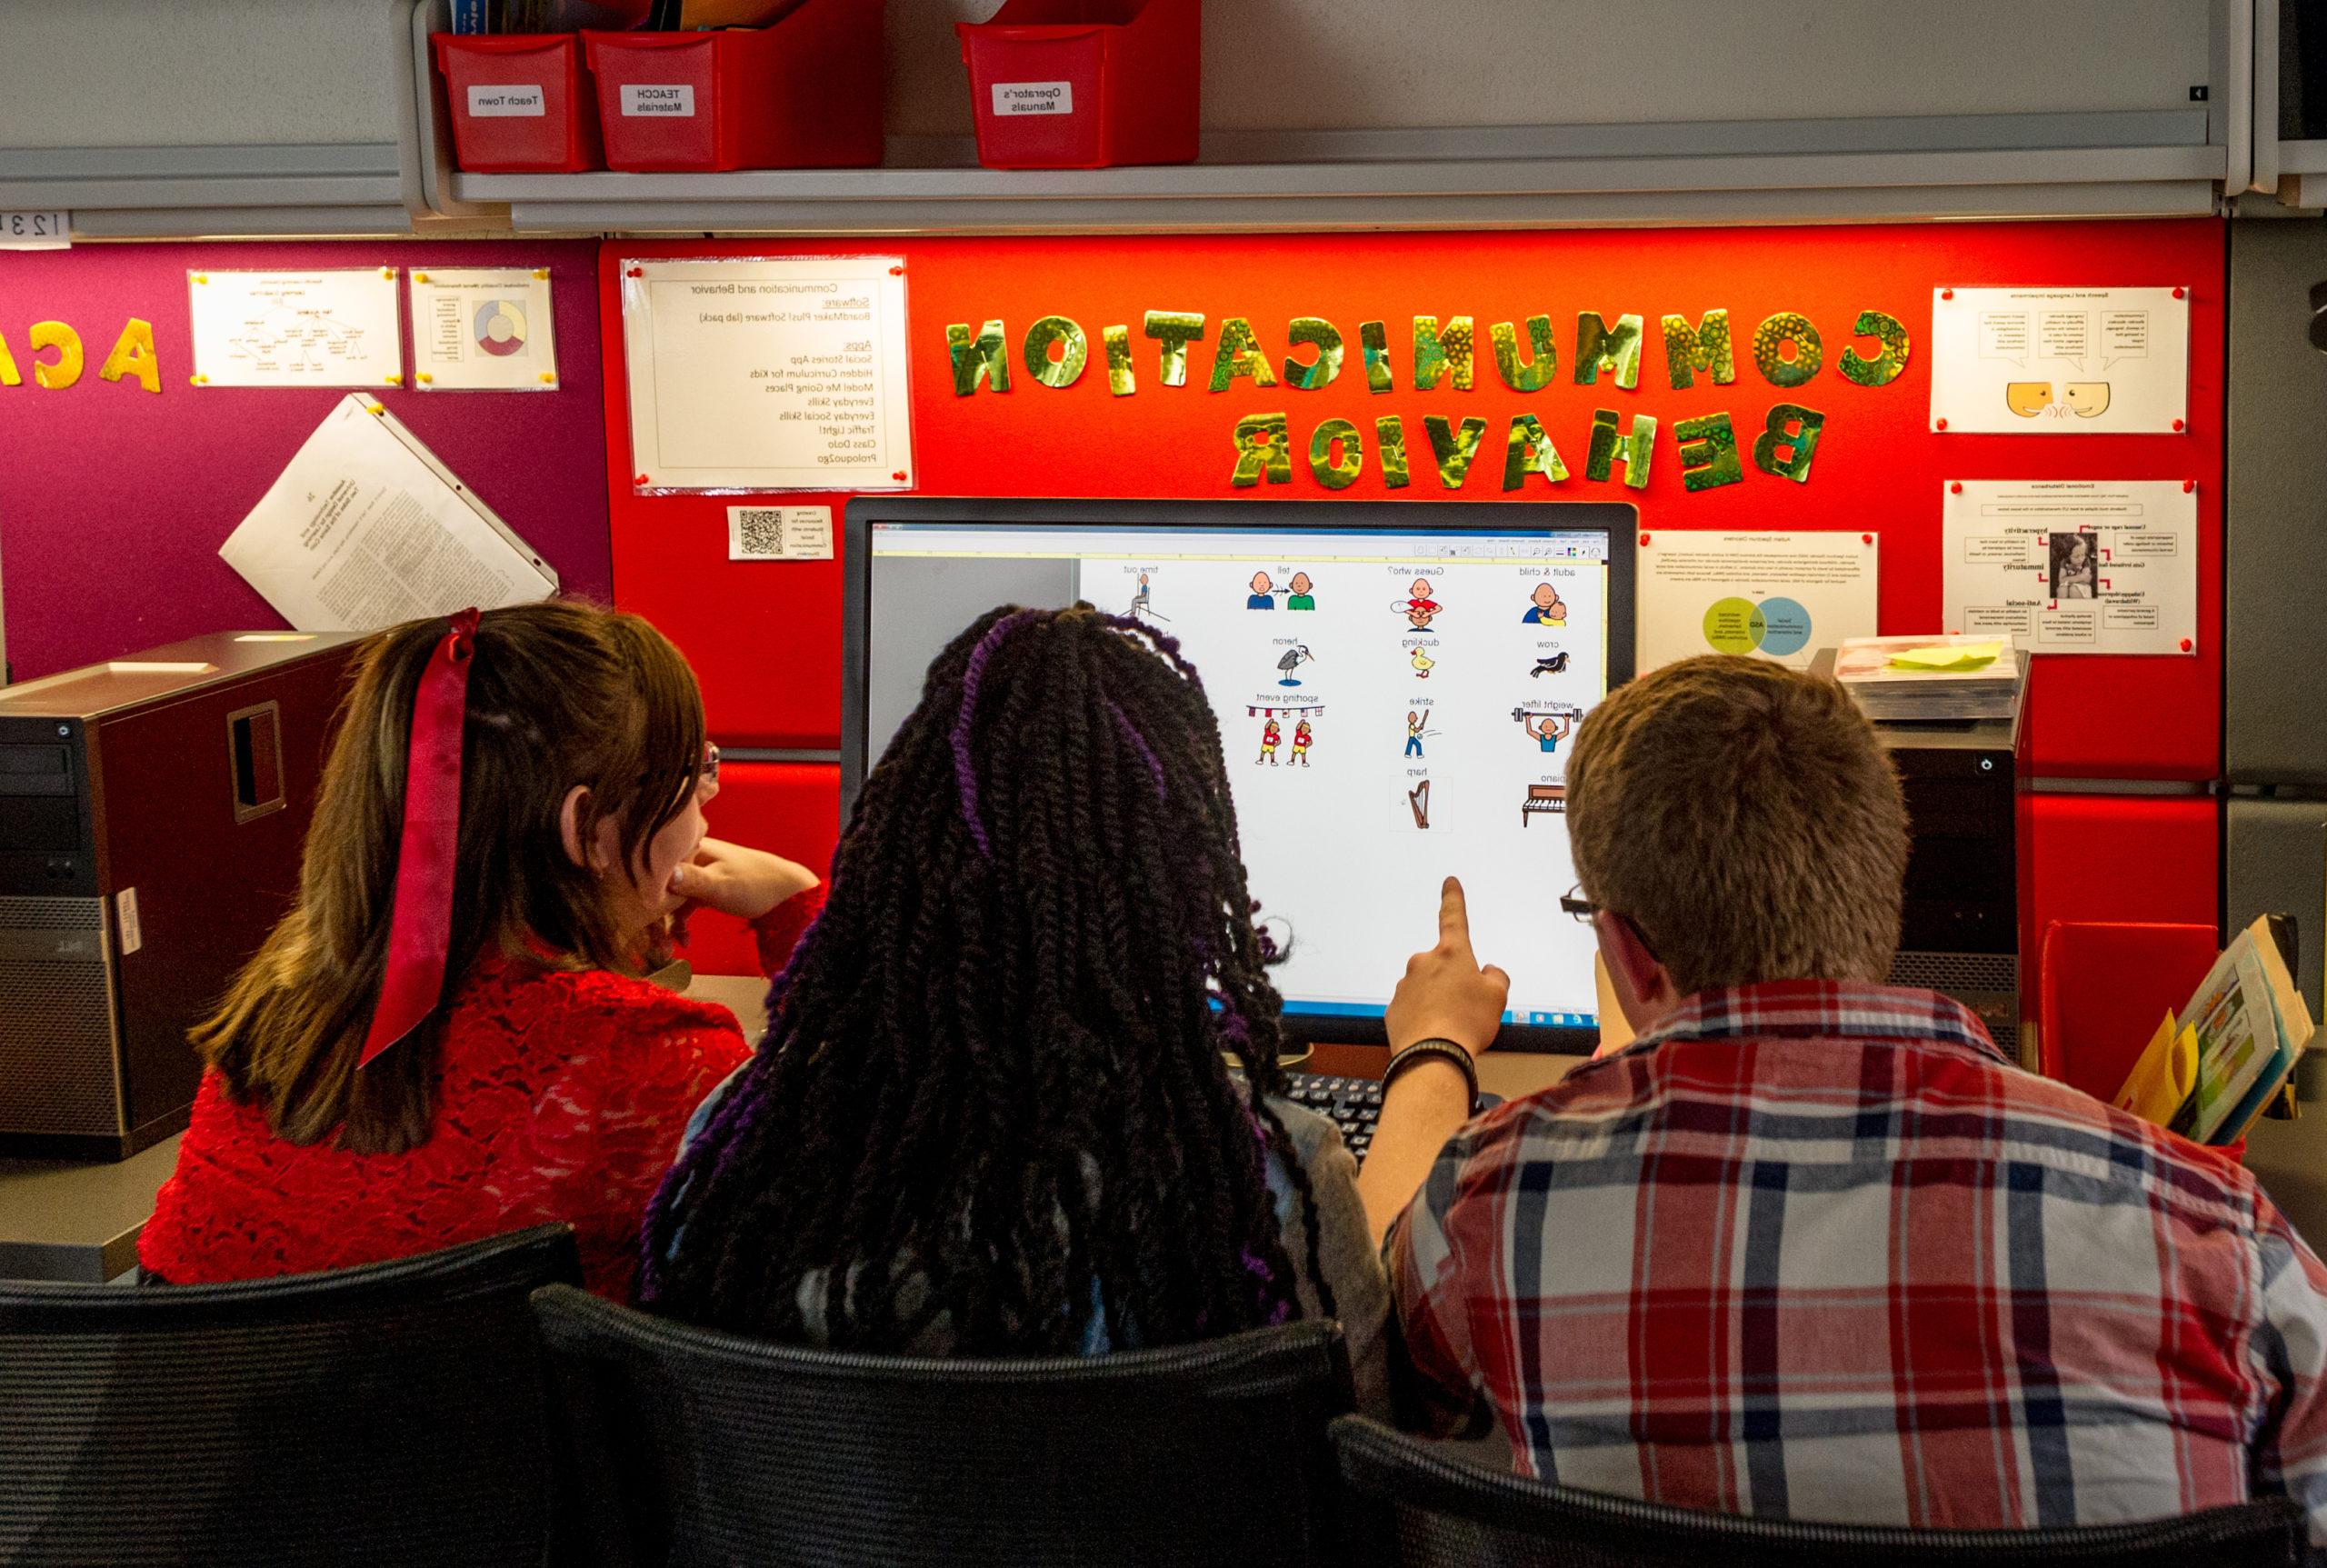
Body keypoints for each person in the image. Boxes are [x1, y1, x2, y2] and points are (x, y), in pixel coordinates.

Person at [1367, 655, 2327, 1539]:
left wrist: (1444, 1051)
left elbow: (1386, 1390)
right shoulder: (2218, 1235)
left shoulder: (1495, 1201)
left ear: (1623, 953)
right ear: (1883, 894)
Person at [639, 605, 1394, 1415]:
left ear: (893, 862)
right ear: (1177, 886)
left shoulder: (741, 1147)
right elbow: (1368, 1472)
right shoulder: (1257, 1182)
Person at [137, 602, 824, 1298]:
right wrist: (802, 915)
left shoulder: (282, 1006)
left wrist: (609, 933)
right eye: (693, 776)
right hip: (512, 1414)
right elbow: (858, 1190)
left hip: (198, 1408)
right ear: (586, 828)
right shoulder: (645, 1056)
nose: (705, 809)